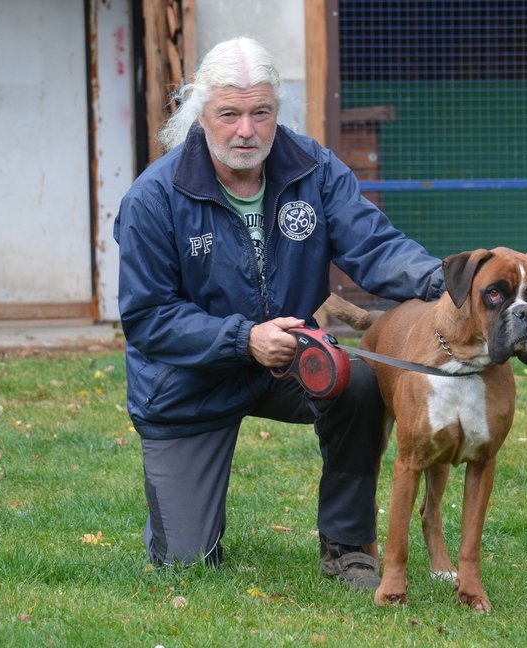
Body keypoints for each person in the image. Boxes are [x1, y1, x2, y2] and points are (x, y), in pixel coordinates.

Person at [113, 37, 444, 590]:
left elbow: (376, 247)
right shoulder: (153, 198)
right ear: (201, 116)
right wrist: (244, 339)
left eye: (260, 113)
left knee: (360, 383)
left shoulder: (313, 169)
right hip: (185, 383)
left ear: (276, 112)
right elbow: (148, 318)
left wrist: (452, 283)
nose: (247, 130)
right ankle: (186, 526)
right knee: (186, 566)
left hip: (288, 359)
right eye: (230, 114)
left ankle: (346, 545)